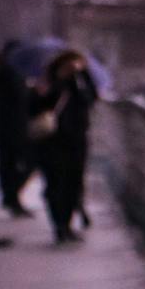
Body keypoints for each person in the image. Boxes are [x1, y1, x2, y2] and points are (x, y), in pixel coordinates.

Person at [31, 49, 98, 246]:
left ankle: (66, 225)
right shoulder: (48, 82)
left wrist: (83, 74)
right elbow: (37, 104)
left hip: (77, 139)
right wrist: (61, 81)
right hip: (52, 141)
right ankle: (58, 225)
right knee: (55, 184)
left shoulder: (80, 83)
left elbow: (91, 98)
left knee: (73, 182)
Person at [0, 40, 35, 216]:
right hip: (11, 128)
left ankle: (10, 196)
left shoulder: (10, 73)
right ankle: (11, 196)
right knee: (19, 162)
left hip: (10, 127)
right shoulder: (8, 74)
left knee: (10, 164)